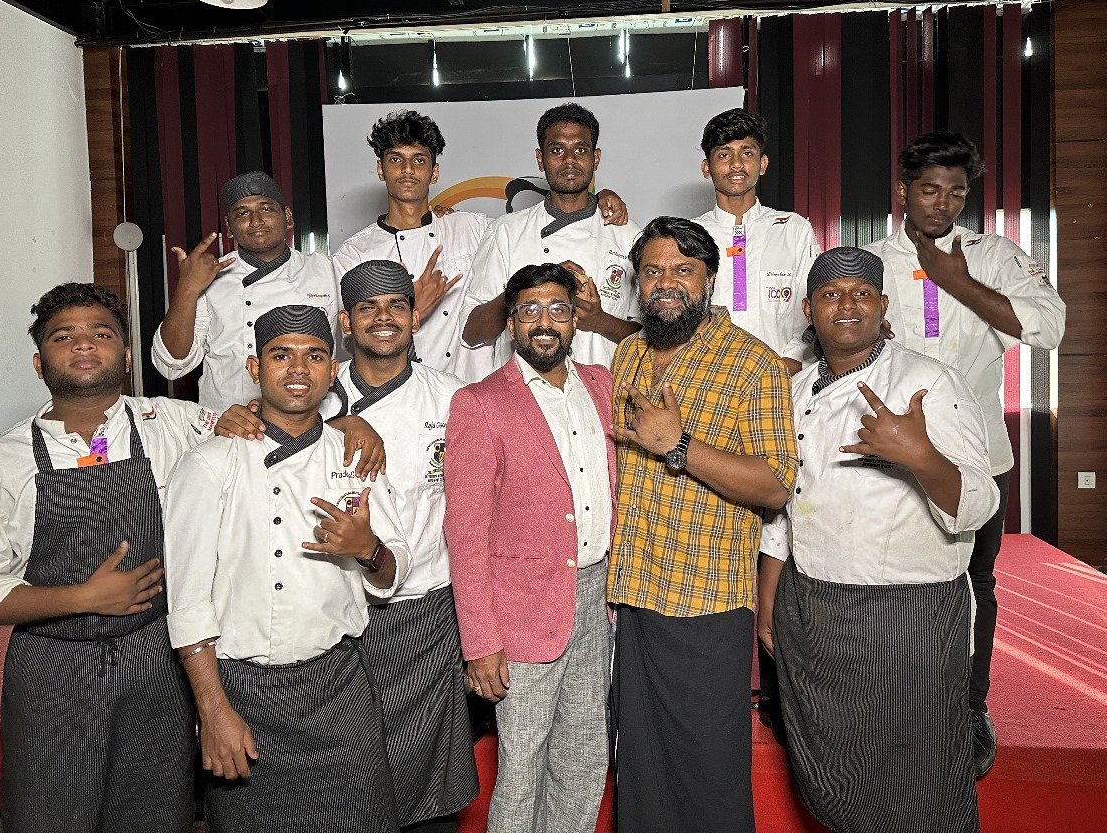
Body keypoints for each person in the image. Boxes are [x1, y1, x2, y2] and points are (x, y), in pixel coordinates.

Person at [0, 282, 212, 833]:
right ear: (40, 363)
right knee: (49, 812)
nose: (84, 345)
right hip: (52, 667)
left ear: (127, 354)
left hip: (155, 662)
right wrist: (82, 598)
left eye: (101, 334)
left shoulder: (177, 426)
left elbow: (275, 419)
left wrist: (345, 418)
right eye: (65, 337)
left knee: (156, 815)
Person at [756, 246, 998, 833]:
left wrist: (919, 456)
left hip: (908, 614)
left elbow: (979, 501)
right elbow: (784, 509)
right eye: (832, 295)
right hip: (815, 610)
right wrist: (768, 605)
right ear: (809, 310)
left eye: (861, 293)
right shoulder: (795, 391)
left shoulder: (926, 380)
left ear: (883, 306)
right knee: (836, 772)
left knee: (923, 778)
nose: (847, 305)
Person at [163, 304, 410, 833]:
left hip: (339, 687)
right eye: (281, 355)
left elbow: (395, 572)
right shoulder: (208, 464)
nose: (299, 368)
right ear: (255, 368)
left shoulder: (354, 456)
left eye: (314, 356)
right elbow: (186, 605)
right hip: (241, 691)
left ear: (333, 370)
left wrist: (368, 548)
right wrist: (213, 710)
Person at [864, 132, 1065, 776]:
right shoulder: (871, 258)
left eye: (956, 192)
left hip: (978, 453)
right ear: (903, 191)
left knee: (976, 585)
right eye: (929, 189)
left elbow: (1051, 326)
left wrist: (958, 281)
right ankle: (884, 709)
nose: (943, 203)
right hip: (886, 454)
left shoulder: (994, 255)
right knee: (886, 583)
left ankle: (968, 706)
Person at [607, 216, 798, 833]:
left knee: (707, 772)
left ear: (709, 279)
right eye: (654, 271)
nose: (667, 283)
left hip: (705, 601)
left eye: (683, 270)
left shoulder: (754, 365)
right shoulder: (628, 353)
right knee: (640, 767)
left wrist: (679, 446)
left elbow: (776, 484)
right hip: (631, 595)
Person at [444, 263, 617, 833]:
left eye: (558, 310)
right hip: (520, 611)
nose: (545, 324)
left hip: (597, 598)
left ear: (575, 319)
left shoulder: (603, 386)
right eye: (530, 311)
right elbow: (466, 535)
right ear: (511, 321)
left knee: (586, 756)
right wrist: (481, 643)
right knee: (522, 765)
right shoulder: (480, 403)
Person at [332, 260, 478, 833]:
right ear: (346, 321)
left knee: (425, 784)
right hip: (335, 617)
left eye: (396, 305)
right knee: (346, 778)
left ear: (417, 315)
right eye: (367, 307)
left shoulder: (452, 400)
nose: (383, 318)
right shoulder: (311, 390)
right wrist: (340, 421)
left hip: (425, 611)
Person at [335, 110, 629, 382]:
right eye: (396, 159)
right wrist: (412, 310)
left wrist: (600, 198)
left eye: (419, 160)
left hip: (471, 383)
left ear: (434, 172)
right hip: (398, 387)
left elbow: (551, 222)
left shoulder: (473, 227)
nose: (408, 170)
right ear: (380, 168)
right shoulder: (354, 253)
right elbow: (349, 342)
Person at [461, 103, 641, 369]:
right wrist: (526, 288)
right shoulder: (507, 231)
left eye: (580, 149)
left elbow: (651, 338)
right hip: (522, 397)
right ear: (539, 159)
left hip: (603, 396)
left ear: (596, 157)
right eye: (557, 150)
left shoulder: (629, 235)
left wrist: (599, 320)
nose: (569, 160)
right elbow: (472, 333)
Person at [153, 170, 340, 412]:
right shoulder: (209, 277)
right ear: (229, 228)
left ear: (288, 217)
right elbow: (172, 365)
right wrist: (187, 288)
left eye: (266, 208)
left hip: (309, 420)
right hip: (225, 421)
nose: (256, 220)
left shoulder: (328, 270)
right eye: (242, 213)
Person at [691, 108, 821, 372]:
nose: (736, 164)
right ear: (707, 167)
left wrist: (791, 361)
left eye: (747, 153)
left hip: (785, 378)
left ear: (762, 164)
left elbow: (815, 306)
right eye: (724, 154)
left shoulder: (793, 229)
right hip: (708, 379)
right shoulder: (689, 236)